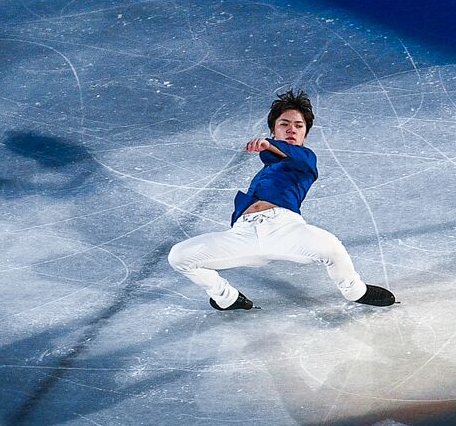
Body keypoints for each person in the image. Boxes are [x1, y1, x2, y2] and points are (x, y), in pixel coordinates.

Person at [168, 89, 396, 311]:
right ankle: (226, 297)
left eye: (298, 126)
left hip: (285, 230)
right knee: (179, 256)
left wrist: (268, 144)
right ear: (274, 129)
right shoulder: (268, 168)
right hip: (243, 235)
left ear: (305, 133)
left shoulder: (306, 158)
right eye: (284, 124)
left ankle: (355, 291)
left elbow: (290, 152)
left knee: (332, 248)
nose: (291, 130)